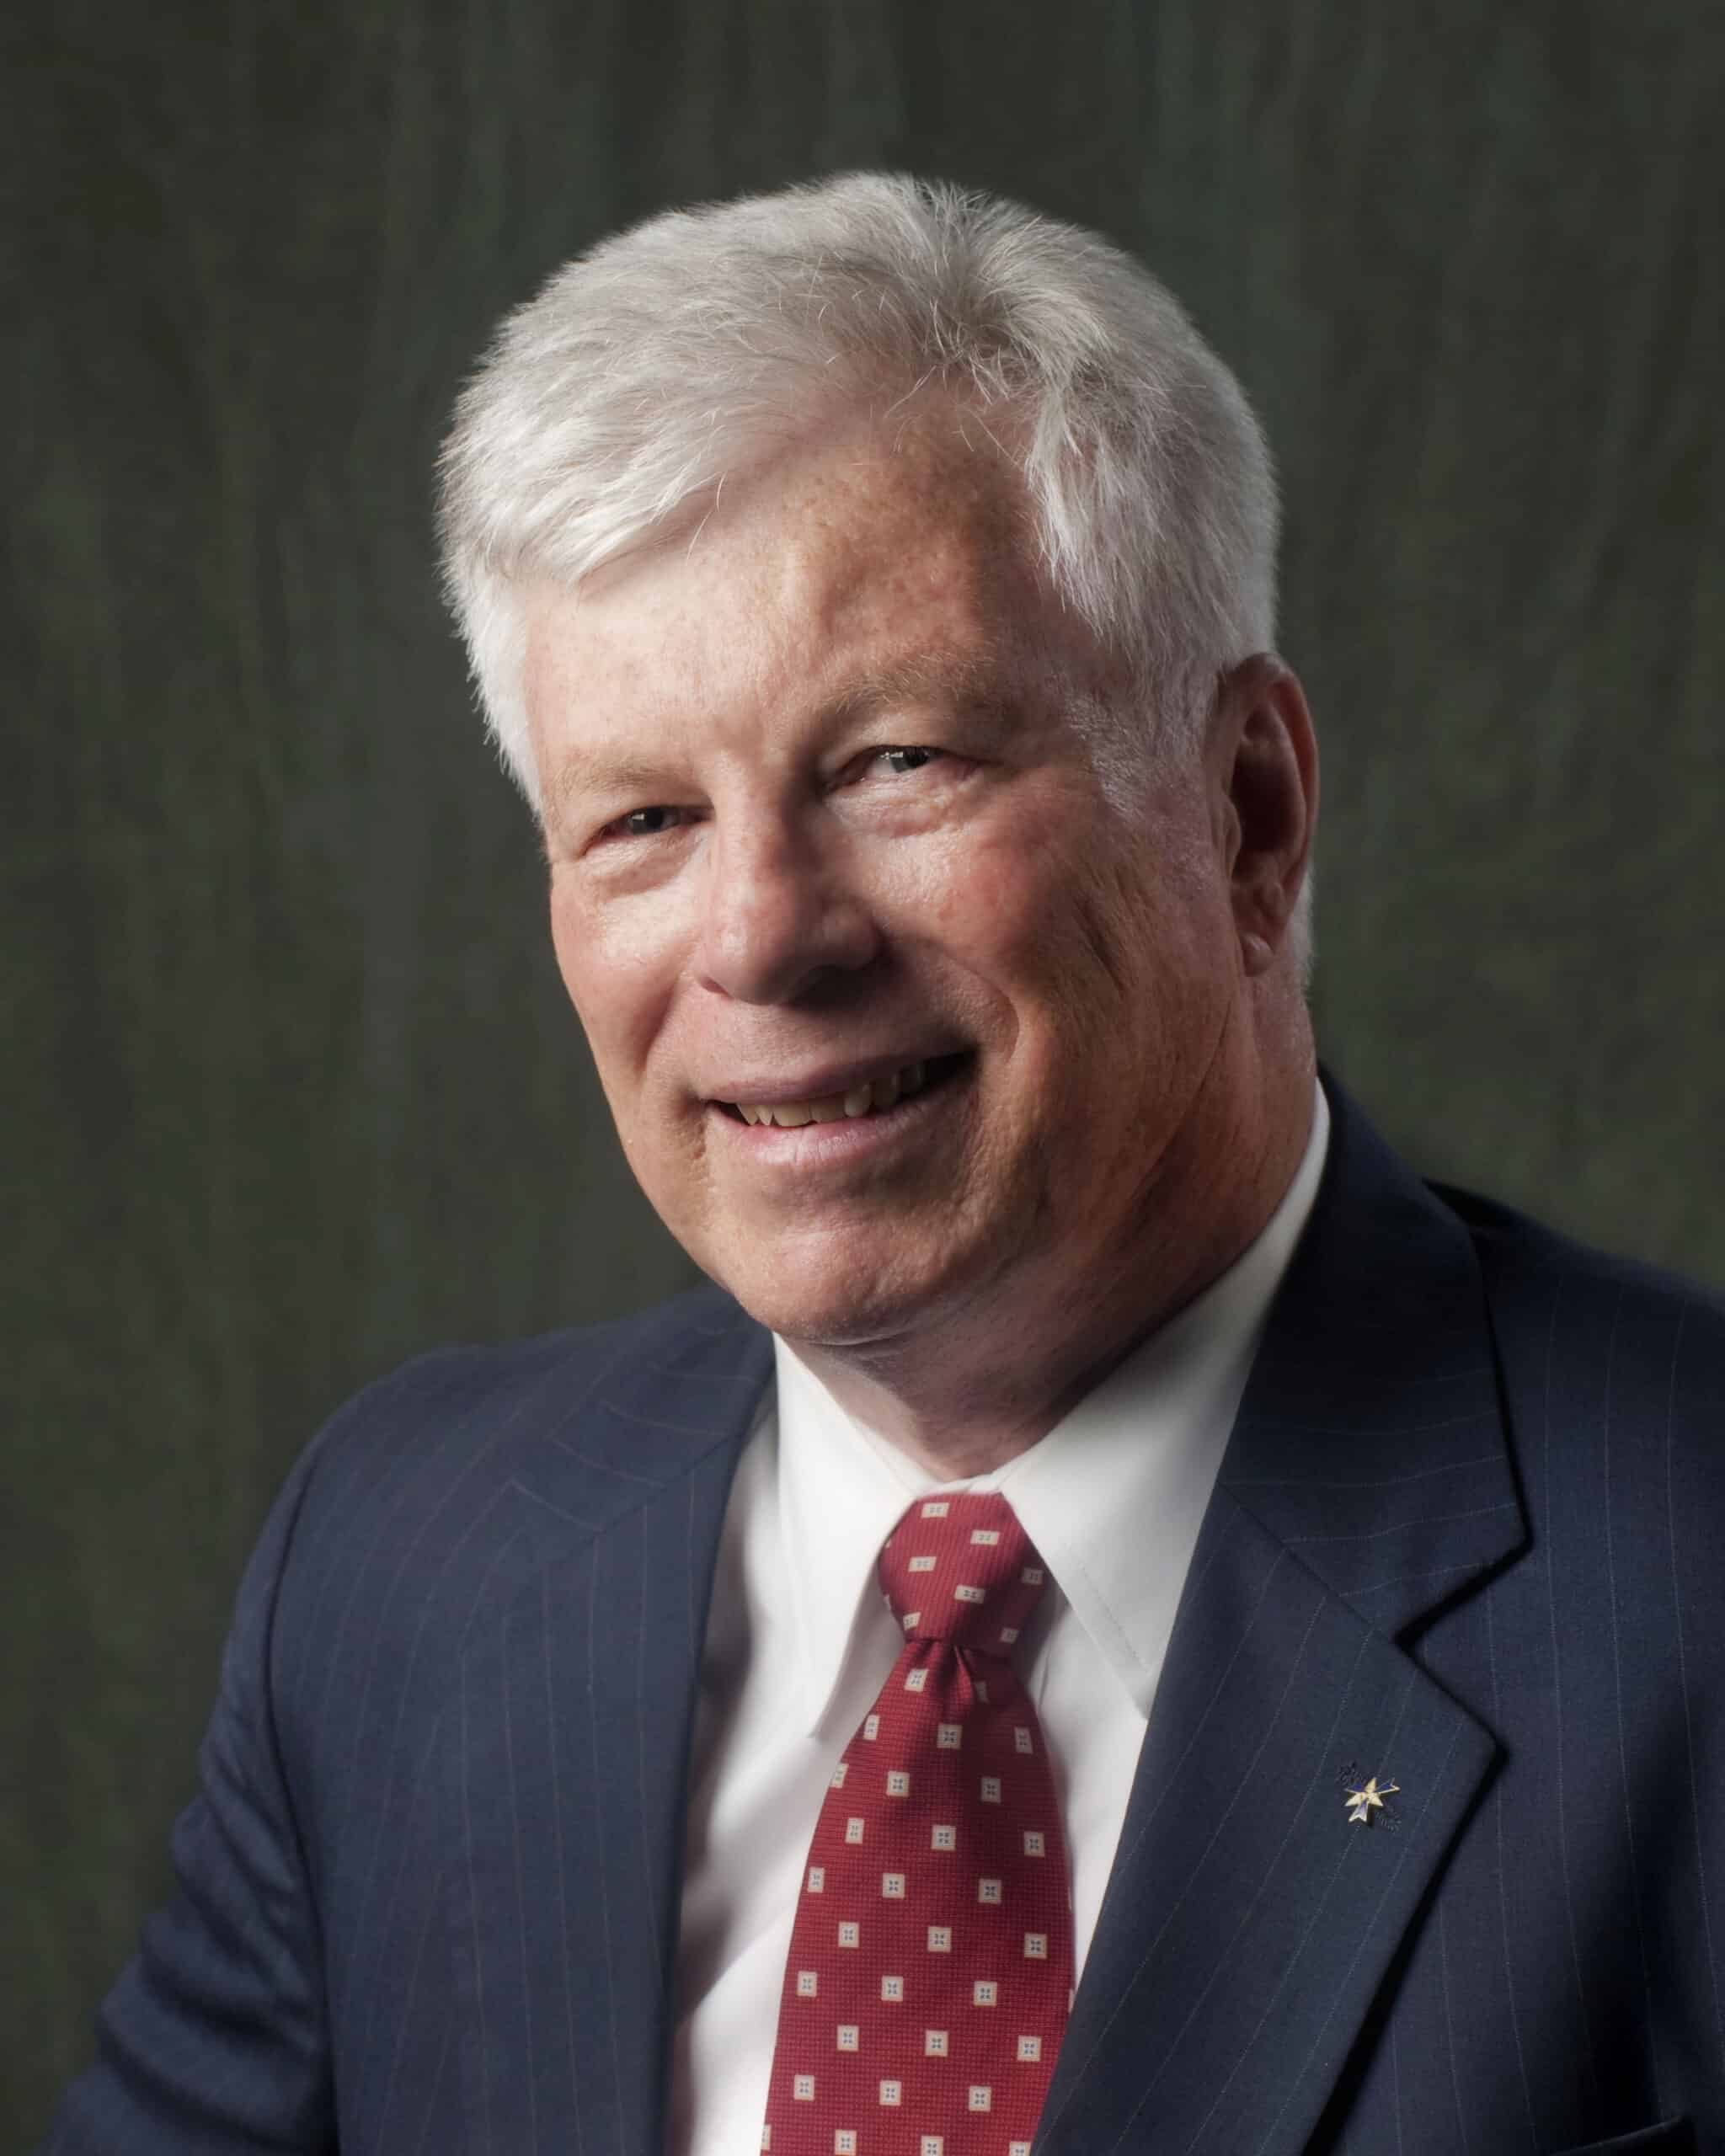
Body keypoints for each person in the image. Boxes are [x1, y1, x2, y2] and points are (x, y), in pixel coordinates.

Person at [40, 173, 1722, 2156]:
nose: (759, 936)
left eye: (895, 761)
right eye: (645, 816)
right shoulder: (402, 1571)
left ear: (1248, 817)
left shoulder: (1678, 1581)